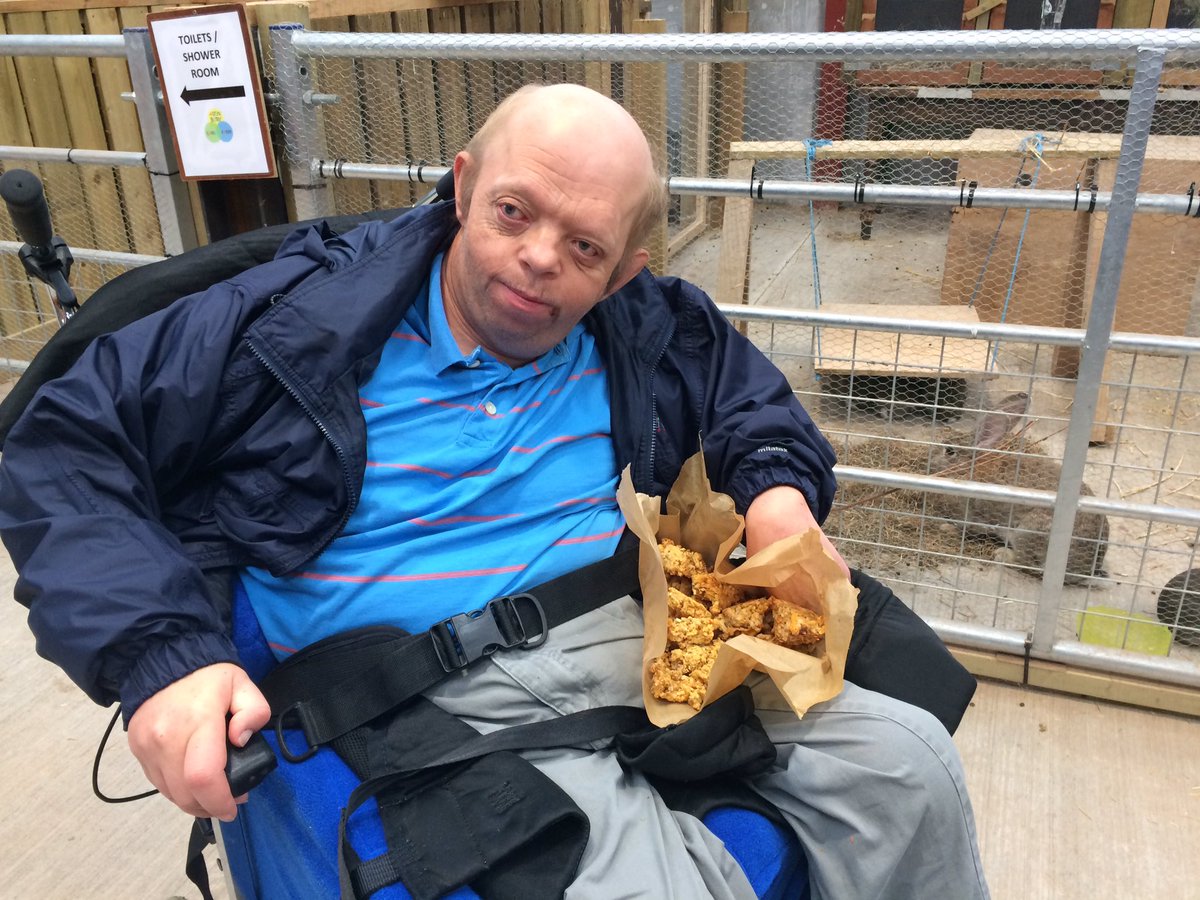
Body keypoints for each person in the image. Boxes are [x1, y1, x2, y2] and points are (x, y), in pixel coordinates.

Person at [0, 83, 988, 898]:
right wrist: (163, 657)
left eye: (585, 247)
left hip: (648, 623)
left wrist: (776, 498)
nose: (541, 256)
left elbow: (750, 405)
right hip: (428, 675)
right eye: (516, 212)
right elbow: (62, 441)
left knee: (910, 765)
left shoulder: (647, 319)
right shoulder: (287, 319)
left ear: (624, 270)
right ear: (464, 185)